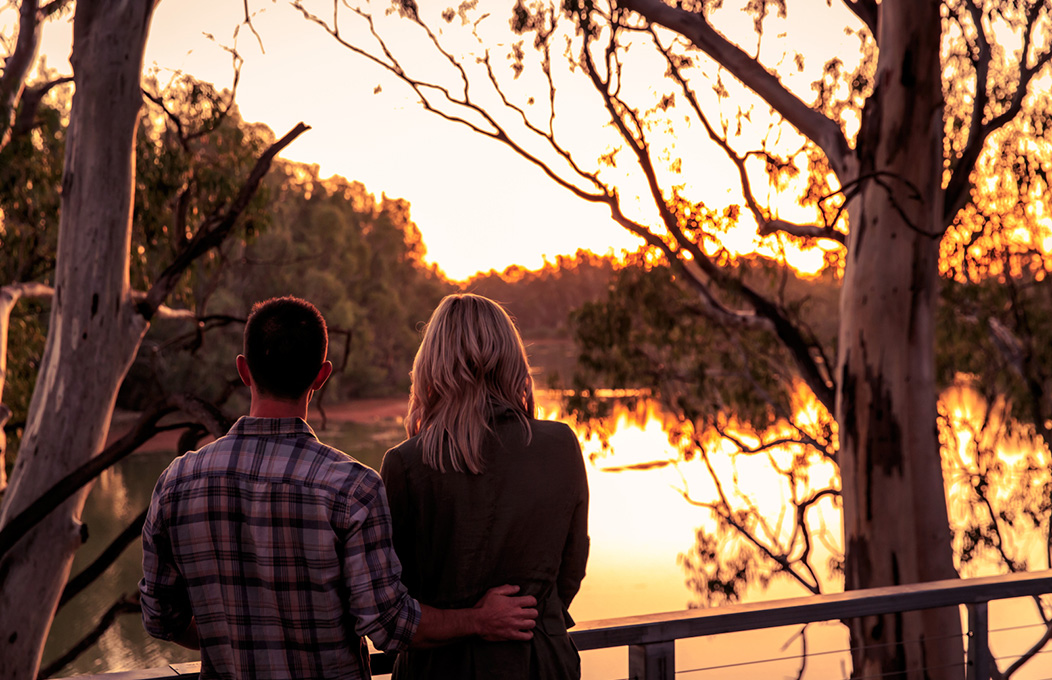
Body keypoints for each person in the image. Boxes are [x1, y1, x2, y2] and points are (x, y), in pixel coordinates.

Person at [139, 296, 538, 680]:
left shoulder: (177, 482)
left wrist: (225, 638)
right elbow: (389, 626)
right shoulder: (352, 488)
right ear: (322, 375)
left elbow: (160, 617)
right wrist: (480, 620)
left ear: (244, 371)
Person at [381, 293, 589, 680]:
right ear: (513, 360)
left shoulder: (406, 463)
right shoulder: (561, 446)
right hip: (540, 663)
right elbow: (569, 573)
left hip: (441, 670)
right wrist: (522, 617)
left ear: (431, 365)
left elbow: (392, 607)